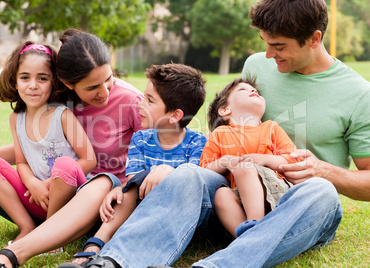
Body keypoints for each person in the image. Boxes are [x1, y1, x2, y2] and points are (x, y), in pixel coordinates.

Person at [52, 0, 368, 267]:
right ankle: (115, 261)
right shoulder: (258, 64)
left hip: (294, 206)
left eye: (279, 46)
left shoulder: (357, 94)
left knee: (322, 193)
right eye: (265, 44)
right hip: (229, 202)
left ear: (314, 39)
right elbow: (226, 134)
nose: (269, 55)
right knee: (189, 172)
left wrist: (323, 170)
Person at [0, 28, 144, 268]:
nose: (106, 92)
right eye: (92, 87)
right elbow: (36, 148)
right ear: (68, 84)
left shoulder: (130, 100)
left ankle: (34, 242)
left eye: (108, 78)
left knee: (75, 171)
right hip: (54, 193)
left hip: (106, 195)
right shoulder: (60, 101)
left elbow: (156, 151)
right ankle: (32, 230)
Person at [62, 63, 207, 267]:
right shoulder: (140, 138)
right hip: (142, 204)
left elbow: (193, 183)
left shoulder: (196, 142)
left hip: (177, 212)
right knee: (128, 189)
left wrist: (166, 172)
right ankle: (95, 244)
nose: (140, 103)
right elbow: (133, 182)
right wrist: (120, 190)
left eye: (149, 100)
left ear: (175, 115)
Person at [0, 41, 96, 244]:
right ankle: (27, 228)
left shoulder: (62, 115)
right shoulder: (16, 119)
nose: (33, 85)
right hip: (38, 198)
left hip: (71, 201)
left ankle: (50, 236)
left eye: (42, 78)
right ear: (15, 81)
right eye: (25, 77)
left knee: (64, 164)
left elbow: (89, 159)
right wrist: (33, 184)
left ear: (54, 82)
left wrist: (49, 182)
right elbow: (22, 162)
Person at [201, 77, 296, 239]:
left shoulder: (271, 128)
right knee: (221, 194)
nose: (253, 91)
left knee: (244, 168)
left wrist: (264, 159)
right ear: (224, 110)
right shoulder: (219, 134)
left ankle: (255, 226)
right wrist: (225, 161)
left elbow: (292, 160)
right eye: (242, 90)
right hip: (241, 199)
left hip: (275, 191)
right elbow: (204, 171)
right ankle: (247, 238)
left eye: (255, 91)